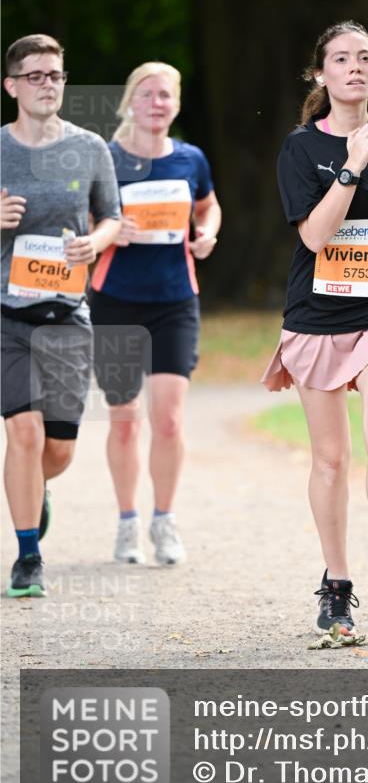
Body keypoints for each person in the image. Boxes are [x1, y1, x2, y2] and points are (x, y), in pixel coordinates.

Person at [262, 21, 368, 635]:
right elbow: (313, 235)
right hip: (318, 315)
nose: (354, 67)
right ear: (320, 74)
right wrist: (350, 166)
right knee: (330, 460)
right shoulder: (300, 147)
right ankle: (336, 585)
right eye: (340, 58)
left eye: (364, 58)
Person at [1, 33, 121, 597]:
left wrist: (94, 243)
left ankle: (33, 491)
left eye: (55, 74)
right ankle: (28, 557)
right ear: (12, 86)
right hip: (6, 315)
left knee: (59, 451)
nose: (48, 84)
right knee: (21, 434)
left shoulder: (91, 146)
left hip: (68, 312)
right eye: (35, 76)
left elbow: (112, 217)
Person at [89, 62, 221, 565]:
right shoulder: (107, 157)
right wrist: (108, 231)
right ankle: (127, 523)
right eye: (146, 94)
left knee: (167, 420)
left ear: (177, 103)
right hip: (116, 301)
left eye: (165, 95)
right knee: (124, 420)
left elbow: (209, 206)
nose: (156, 103)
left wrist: (208, 232)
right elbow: (80, 219)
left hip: (175, 301)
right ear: (130, 102)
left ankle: (163, 520)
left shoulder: (191, 158)